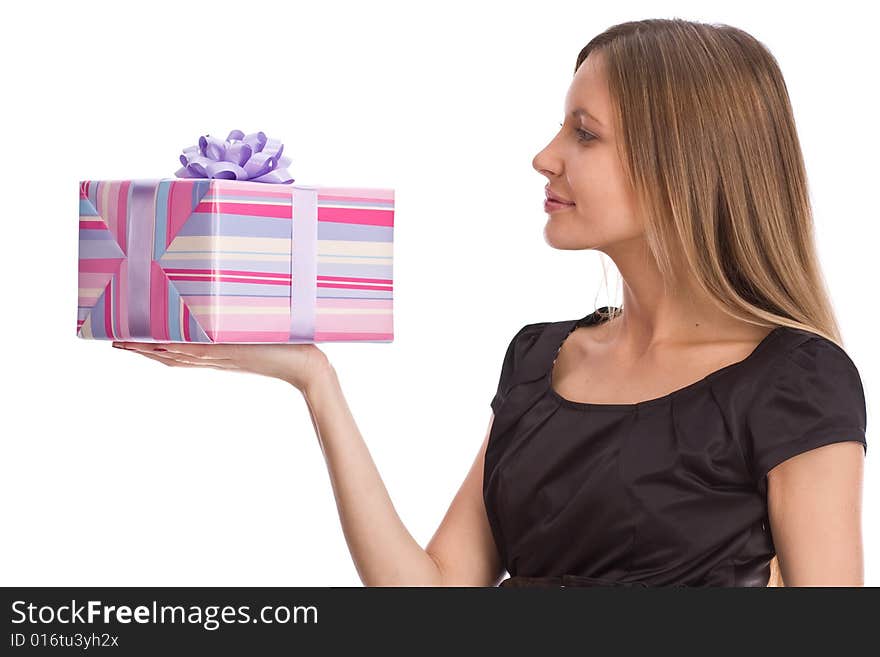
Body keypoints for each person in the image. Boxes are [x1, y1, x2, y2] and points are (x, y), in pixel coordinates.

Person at [113, 18, 867, 587]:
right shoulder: (539, 358)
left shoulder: (796, 380)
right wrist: (314, 379)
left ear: (681, 166)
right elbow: (436, 598)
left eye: (585, 133)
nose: (545, 156)